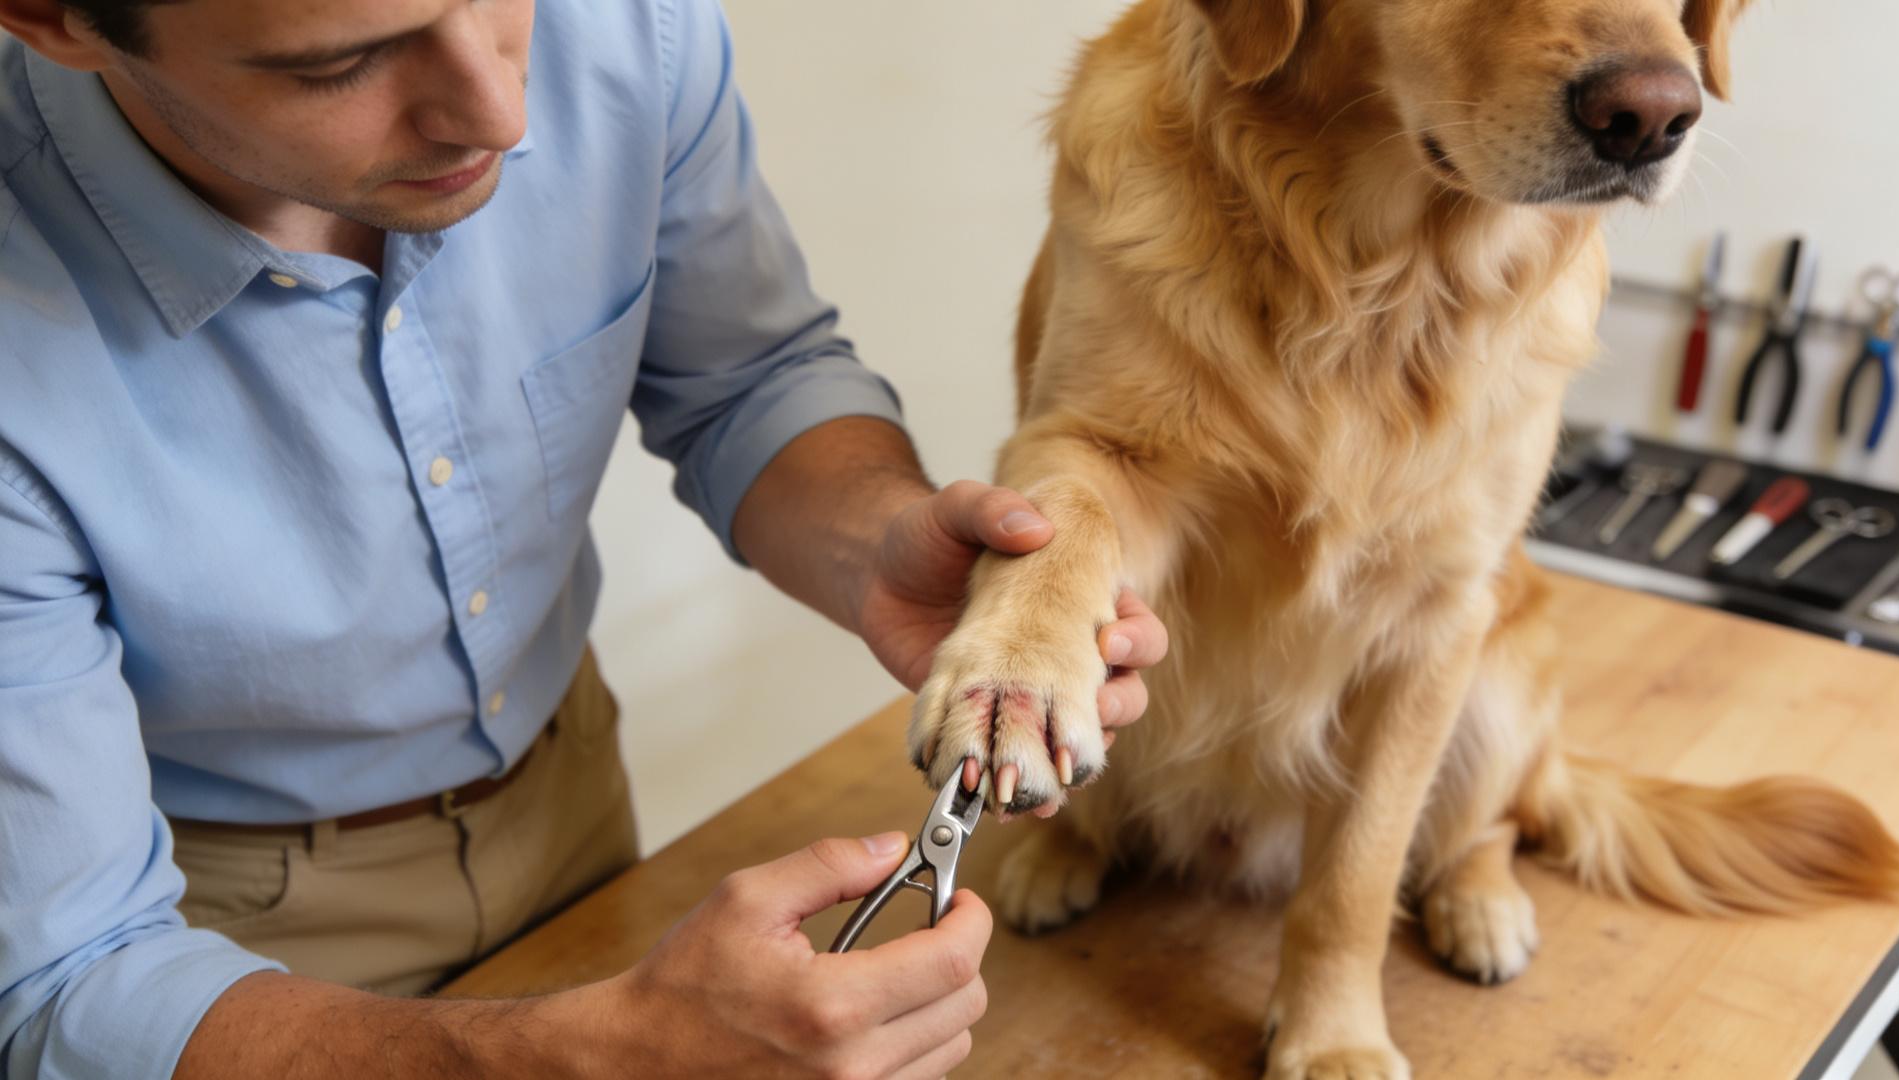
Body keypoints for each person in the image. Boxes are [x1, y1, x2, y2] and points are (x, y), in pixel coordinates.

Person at [0, 0, 1168, 1075]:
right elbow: (67, 987)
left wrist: (878, 544)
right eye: (340, 64)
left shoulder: (616, 28)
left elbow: (745, 379)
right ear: (53, 19)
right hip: (214, 942)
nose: (503, 114)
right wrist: (607, 1055)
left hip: (573, 791)